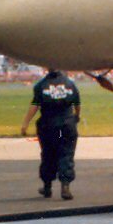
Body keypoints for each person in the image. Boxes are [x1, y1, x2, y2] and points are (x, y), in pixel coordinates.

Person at [20, 69, 81, 200]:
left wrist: (25, 123)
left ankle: (47, 187)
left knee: (48, 155)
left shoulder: (41, 85)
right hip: (66, 125)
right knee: (66, 154)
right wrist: (76, 117)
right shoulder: (70, 84)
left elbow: (35, 105)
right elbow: (77, 103)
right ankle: (65, 186)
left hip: (49, 126)